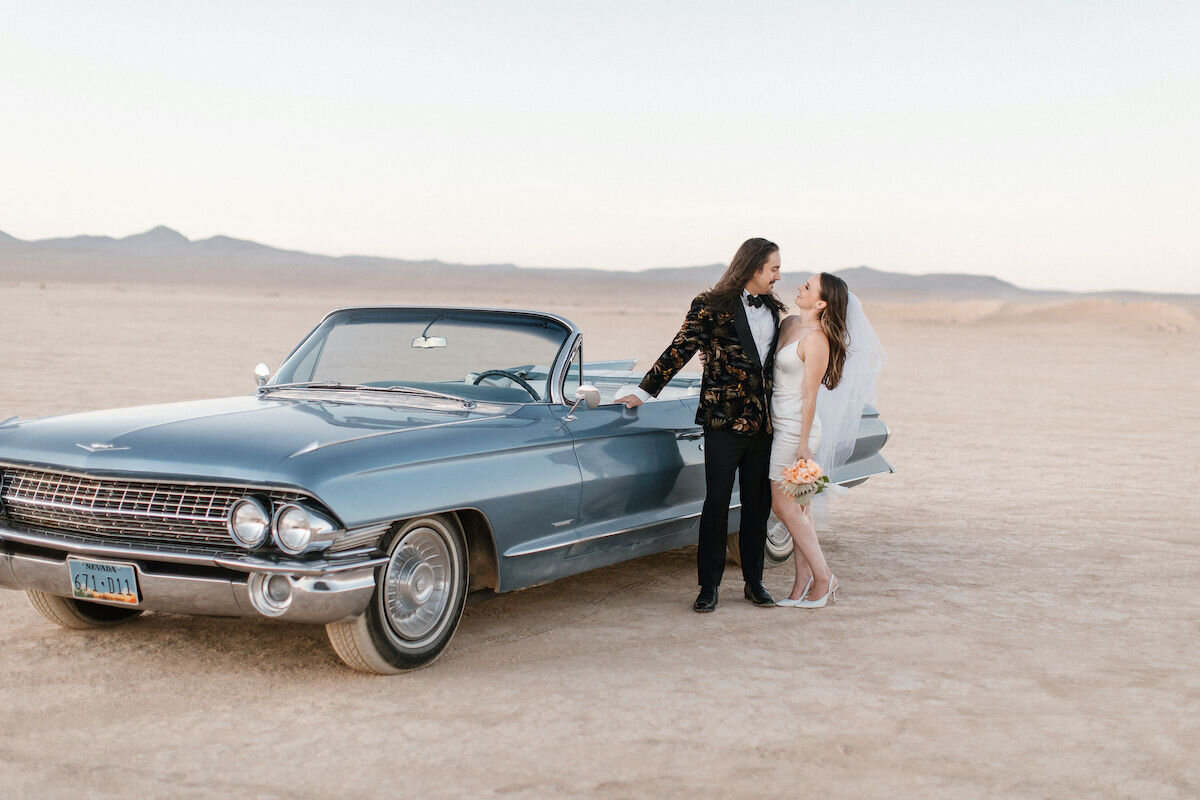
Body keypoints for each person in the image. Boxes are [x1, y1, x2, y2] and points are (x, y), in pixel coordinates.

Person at [616, 237, 784, 612]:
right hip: (722, 422)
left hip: (763, 425)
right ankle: (708, 587)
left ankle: (755, 582)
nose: (778, 275)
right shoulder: (709, 305)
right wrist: (644, 392)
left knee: (758, 505)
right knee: (717, 503)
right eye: (773, 267)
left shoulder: (773, 309)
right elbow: (681, 348)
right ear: (754, 266)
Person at [769, 272, 885, 609]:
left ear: (821, 303)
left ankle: (824, 577)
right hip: (778, 425)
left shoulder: (818, 339)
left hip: (796, 431)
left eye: (809, 286)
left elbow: (809, 397)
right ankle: (802, 584)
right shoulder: (789, 323)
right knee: (800, 511)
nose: (800, 286)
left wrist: (804, 446)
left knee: (783, 507)